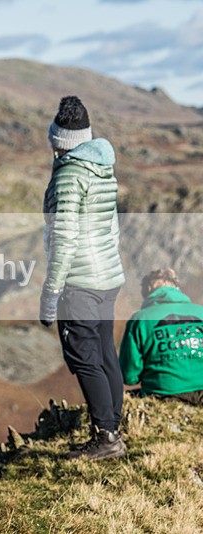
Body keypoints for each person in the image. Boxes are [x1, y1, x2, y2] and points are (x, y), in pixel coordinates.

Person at [39, 96, 126, 460]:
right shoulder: (101, 167)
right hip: (107, 275)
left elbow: (64, 238)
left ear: (58, 140)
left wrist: (51, 293)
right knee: (104, 353)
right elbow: (111, 226)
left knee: (85, 356)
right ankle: (113, 428)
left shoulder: (69, 175)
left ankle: (106, 437)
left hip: (80, 280)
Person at [119, 269, 203, 405]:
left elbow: (129, 376)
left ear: (148, 290)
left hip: (164, 394)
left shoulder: (140, 319)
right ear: (177, 288)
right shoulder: (200, 312)